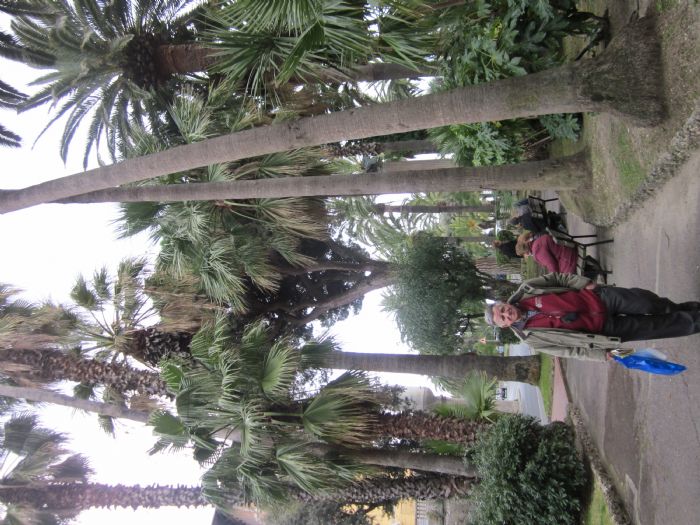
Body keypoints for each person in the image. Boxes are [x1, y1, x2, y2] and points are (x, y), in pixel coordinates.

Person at [484, 272, 700, 361]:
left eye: (502, 309)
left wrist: (584, 283)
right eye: (502, 317)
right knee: (656, 328)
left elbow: (558, 278)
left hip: (600, 298)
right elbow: (569, 351)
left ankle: (686, 309)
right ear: (504, 326)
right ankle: (695, 321)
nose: (506, 313)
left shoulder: (527, 289)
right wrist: (602, 355)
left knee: (648, 302)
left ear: (503, 302)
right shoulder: (531, 339)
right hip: (604, 330)